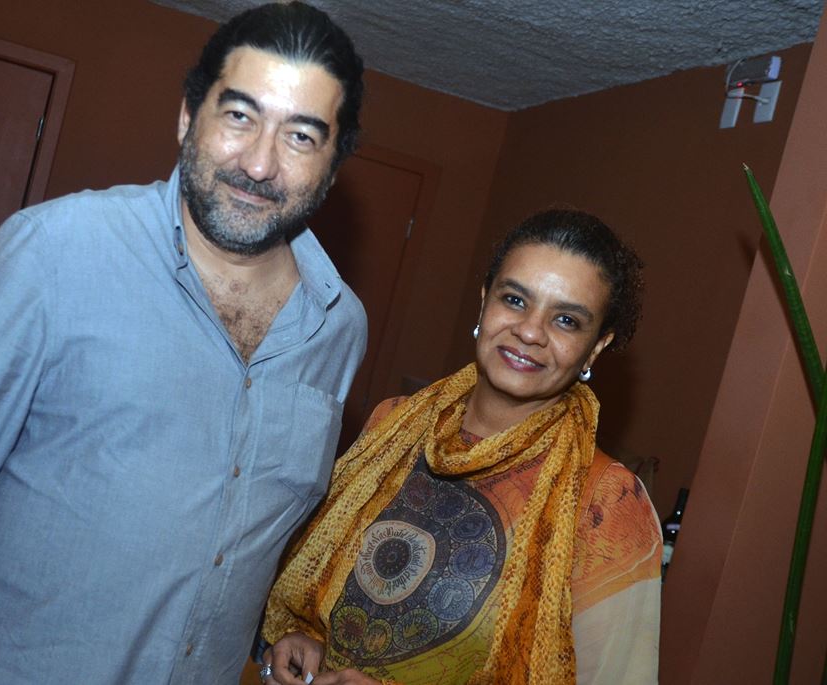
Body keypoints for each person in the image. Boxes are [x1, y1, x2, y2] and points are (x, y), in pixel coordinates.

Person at [0, 3, 366, 684]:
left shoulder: (338, 328)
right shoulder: (55, 251)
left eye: (301, 136)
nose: (259, 162)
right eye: (239, 115)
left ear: (332, 165)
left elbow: (248, 538)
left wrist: (275, 636)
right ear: (188, 118)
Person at [261, 209, 660, 685]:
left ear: (595, 347)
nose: (530, 331)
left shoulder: (607, 501)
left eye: (566, 320)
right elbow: (320, 584)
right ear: (484, 302)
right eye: (515, 299)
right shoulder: (392, 425)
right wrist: (303, 639)